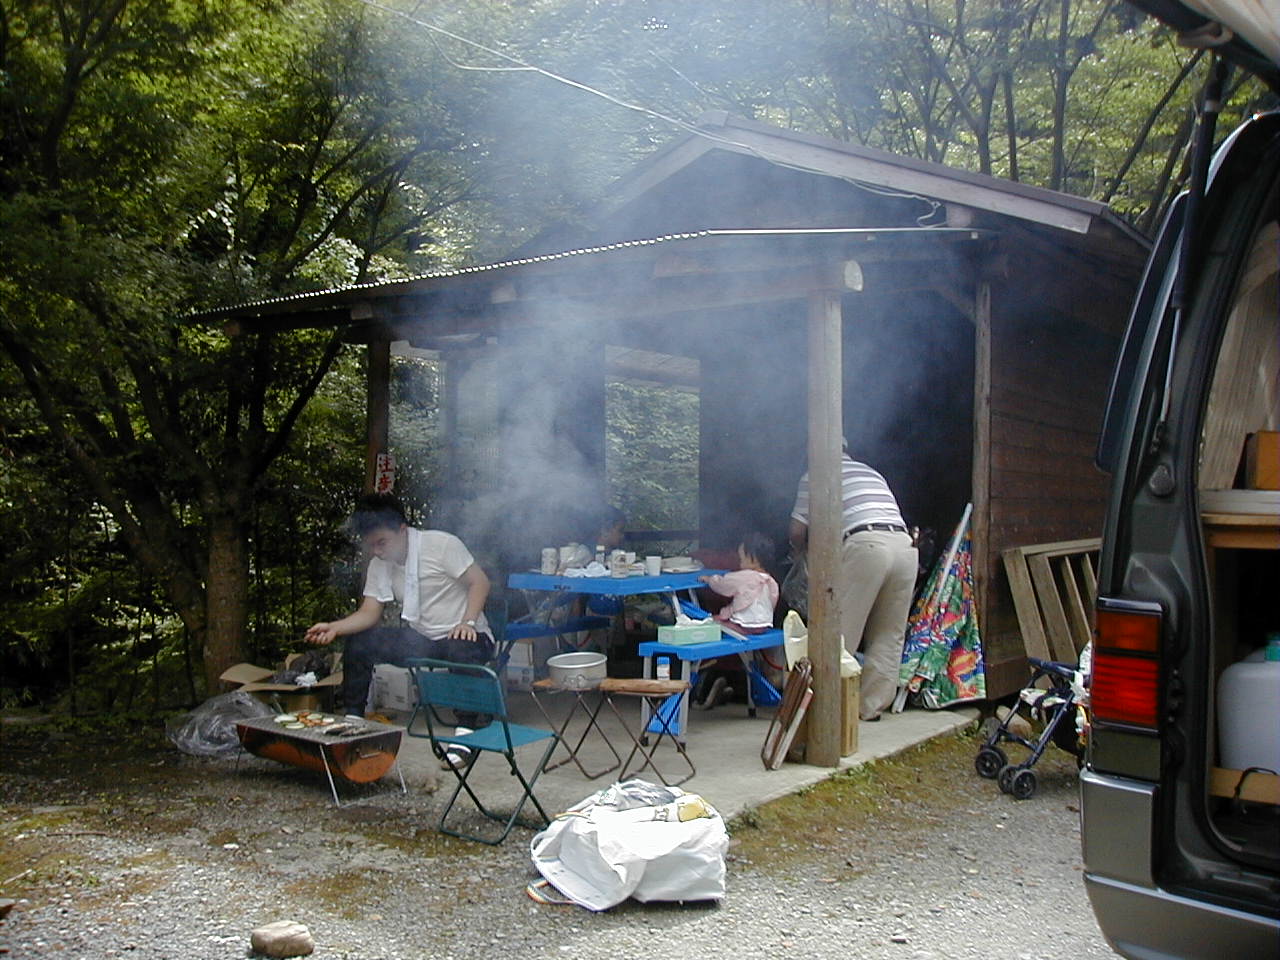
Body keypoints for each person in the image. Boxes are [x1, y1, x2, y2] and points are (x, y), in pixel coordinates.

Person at [305, 493, 493, 739]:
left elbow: (480, 582)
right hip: (422, 639)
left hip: (468, 637)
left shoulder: (442, 545)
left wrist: (467, 621)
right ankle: (353, 718)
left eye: (382, 542)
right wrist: (334, 627)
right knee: (360, 641)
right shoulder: (379, 564)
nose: (377, 551)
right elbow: (369, 613)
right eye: (371, 545)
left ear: (403, 529)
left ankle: (466, 730)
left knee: (461, 645)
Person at [789, 442, 917, 721]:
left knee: (840, 630)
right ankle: (869, 708)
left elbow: (797, 531)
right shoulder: (870, 471)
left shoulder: (815, 474)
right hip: (905, 548)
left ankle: (828, 709)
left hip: (867, 546)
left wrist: (799, 554)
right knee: (888, 634)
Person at [692, 532, 781, 709]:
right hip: (762, 627)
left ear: (753, 559)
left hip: (743, 626)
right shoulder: (770, 580)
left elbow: (723, 584)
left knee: (712, 622)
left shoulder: (745, 576)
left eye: (742, 558)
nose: (739, 563)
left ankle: (701, 667)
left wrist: (708, 579)